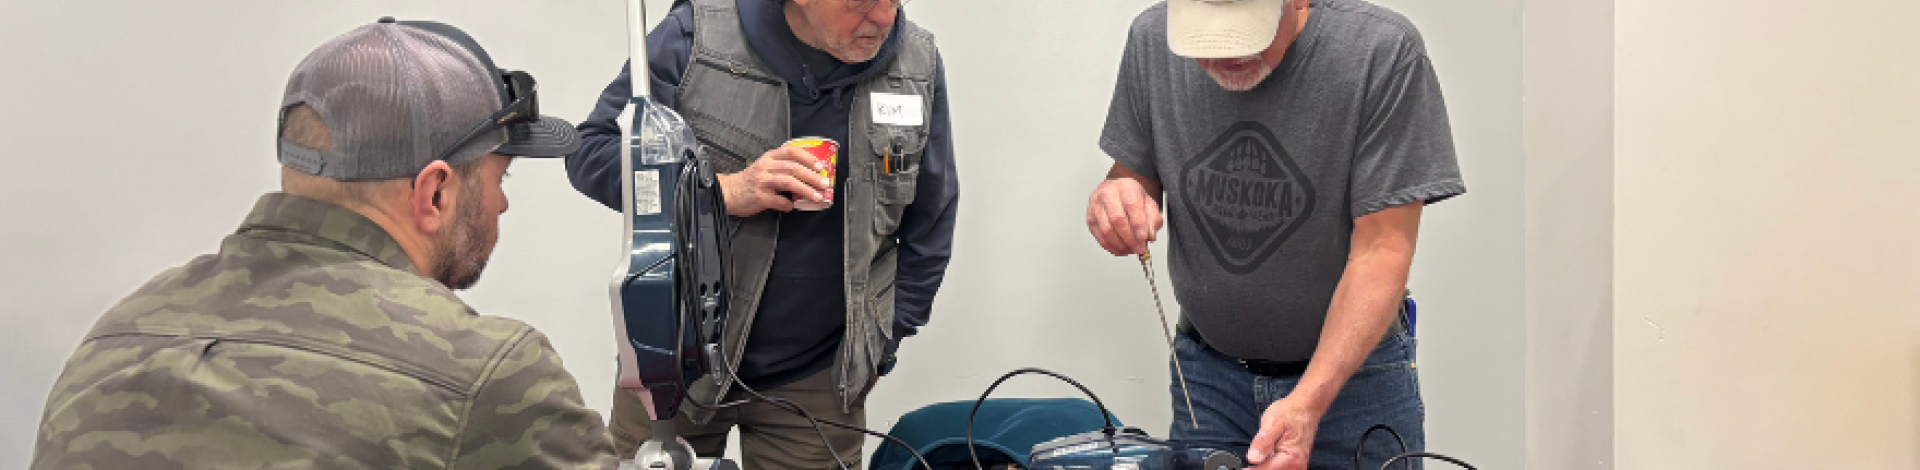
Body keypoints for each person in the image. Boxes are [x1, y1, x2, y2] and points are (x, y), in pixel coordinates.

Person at [30, 18, 619, 469]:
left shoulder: (114, 339)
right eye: (499, 178)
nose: (501, 204)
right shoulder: (489, 376)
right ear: (434, 193)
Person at [566, 0, 958, 466]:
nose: (884, 18)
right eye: (860, 3)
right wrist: (724, 191)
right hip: (677, 365)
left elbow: (931, 222)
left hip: (820, 379)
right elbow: (591, 153)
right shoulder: (695, 38)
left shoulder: (916, 64)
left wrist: (881, 344)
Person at [1085, 0, 1466, 468]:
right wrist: (1118, 193)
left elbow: (1382, 248)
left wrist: (1307, 404)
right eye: (1205, 38)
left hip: (1355, 386)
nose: (1224, 56)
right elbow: (1132, 171)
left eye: (1244, 34)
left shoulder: (1380, 52)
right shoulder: (1151, 39)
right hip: (1208, 380)